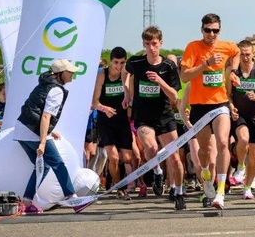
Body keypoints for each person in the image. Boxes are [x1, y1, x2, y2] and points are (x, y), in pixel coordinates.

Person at [180, 13, 240, 210]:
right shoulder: (193, 47)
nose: (211, 34)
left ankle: (220, 191)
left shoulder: (227, 46)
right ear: (202, 30)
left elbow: (236, 52)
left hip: (220, 103)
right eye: (208, 30)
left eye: (215, 30)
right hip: (199, 106)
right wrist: (205, 64)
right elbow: (184, 77)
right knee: (204, 150)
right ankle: (205, 174)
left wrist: (233, 71)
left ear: (219, 30)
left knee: (223, 143)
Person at [122, 27, 184, 207]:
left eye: (154, 44)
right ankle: (157, 171)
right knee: (151, 147)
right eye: (147, 44)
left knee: (175, 158)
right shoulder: (136, 61)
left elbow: (174, 96)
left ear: (161, 43)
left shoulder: (168, 66)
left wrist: (159, 81)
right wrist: (127, 93)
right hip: (143, 115)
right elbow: (125, 72)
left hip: (164, 116)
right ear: (143, 44)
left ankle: (179, 192)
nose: (151, 48)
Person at [14, 59, 84, 214]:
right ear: (61, 73)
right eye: (70, 72)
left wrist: (50, 132)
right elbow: (45, 116)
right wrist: (43, 141)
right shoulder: (57, 90)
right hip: (33, 132)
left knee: (42, 166)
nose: (72, 74)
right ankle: (72, 198)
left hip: (21, 130)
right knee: (58, 164)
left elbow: (36, 110)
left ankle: (26, 202)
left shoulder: (44, 84)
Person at [227, 40, 255, 199]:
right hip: (240, 114)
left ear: (253, 54)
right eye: (242, 55)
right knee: (243, 138)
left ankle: (247, 187)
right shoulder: (232, 71)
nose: (245, 58)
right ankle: (240, 167)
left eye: (248, 54)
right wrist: (231, 107)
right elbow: (228, 94)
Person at [92, 47, 134, 201]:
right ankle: (121, 189)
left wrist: (128, 97)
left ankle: (115, 176)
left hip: (122, 121)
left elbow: (130, 96)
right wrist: (104, 109)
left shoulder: (126, 75)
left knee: (127, 158)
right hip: (106, 121)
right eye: (116, 62)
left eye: (122, 63)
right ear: (110, 61)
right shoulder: (102, 75)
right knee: (114, 157)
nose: (119, 66)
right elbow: (94, 102)